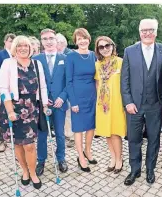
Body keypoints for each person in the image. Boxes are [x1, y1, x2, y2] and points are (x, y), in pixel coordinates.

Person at [121, 19, 162, 186]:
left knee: (154, 138)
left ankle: (150, 169)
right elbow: (124, 79)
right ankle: (135, 169)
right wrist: (127, 102)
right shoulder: (129, 51)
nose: (147, 33)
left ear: (156, 31)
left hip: (156, 104)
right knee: (134, 139)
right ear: (139, 32)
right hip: (134, 105)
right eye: (144, 30)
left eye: (150, 30)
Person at [0, 35, 49, 189]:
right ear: (15, 48)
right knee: (18, 144)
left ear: (30, 48)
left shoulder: (37, 63)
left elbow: (43, 86)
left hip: (31, 109)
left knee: (29, 145)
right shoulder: (8, 63)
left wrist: (45, 105)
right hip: (12, 108)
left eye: (26, 46)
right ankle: (24, 171)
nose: (23, 48)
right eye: (19, 45)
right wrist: (10, 110)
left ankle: (33, 172)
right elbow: (4, 88)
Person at [33, 28, 68, 176]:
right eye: (45, 39)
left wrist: (62, 97)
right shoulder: (35, 60)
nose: (48, 41)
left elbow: (69, 81)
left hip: (60, 103)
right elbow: (32, 82)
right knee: (42, 134)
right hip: (43, 104)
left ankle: (61, 158)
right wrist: (41, 97)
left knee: (60, 133)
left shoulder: (65, 59)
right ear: (42, 42)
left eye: (51, 38)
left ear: (56, 40)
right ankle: (41, 161)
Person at [66, 28, 97, 172]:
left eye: (84, 38)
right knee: (78, 129)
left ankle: (88, 151)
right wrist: (73, 102)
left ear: (89, 39)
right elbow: (69, 81)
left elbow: (98, 77)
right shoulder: (71, 57)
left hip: (92, 96)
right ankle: (80, 157)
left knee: (91, 126)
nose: (82, 41)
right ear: (76, 42)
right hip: (77, 97)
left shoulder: (93, 55)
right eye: (79, 39)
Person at [94, 36, 126, 173]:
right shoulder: (97, 65)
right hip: (103, 104)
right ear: (98, 50)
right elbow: (97, 83)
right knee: (106, 133)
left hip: (117, 102)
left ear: (112, 46)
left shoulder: (121, 62)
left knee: (115, 133)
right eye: (101, 47)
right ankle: (112, 158)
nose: (105, 49)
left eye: (107, 45)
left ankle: (119, 159)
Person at [0, 33, 16, 152]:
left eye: (13, 41)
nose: (12, 43)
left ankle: (14, 138)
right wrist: (1, 87)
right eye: (10, 41)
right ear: (5, 42)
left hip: (17, 91)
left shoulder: (16, 54)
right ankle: (2, 140)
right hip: (5, 90)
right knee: (3, 115)